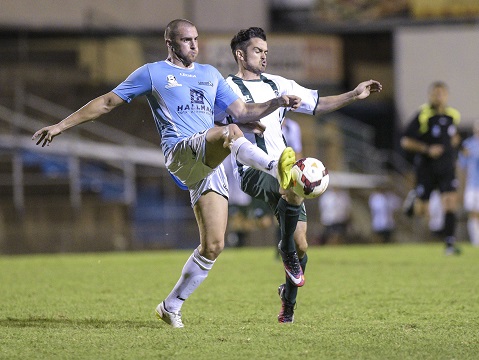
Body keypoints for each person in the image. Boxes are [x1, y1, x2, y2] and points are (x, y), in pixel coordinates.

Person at [31, 19, 303, 328]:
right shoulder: (152, 73)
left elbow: (242, 112)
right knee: (228, 132)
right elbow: (107, 102)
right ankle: (277, 167)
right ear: (170, 44)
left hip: (208, 158)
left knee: (214, 245)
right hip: (180, 151)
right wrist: (60, 126)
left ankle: (170, 305)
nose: (194, 45)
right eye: (186, 40)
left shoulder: (210, 75)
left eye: (196, 39)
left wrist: (277, 101)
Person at [215, 27, 382, 323]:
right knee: (290, 192)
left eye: (266, 51)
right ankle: (285, 249)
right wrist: (274, 105)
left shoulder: (278, 83)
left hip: (285, 167)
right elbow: (235, 117)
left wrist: (354, 95)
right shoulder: (226, 88)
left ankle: (288, 302)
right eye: (257, 51)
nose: (264, 56)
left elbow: (317, 104)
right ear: (240, 55)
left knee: (302, 244)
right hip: (253, 170)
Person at [400, 81, 462, 255]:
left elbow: (452, 136)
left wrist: (457, 145)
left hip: (447, 167)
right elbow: (405, 141)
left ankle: (449, 244)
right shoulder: (423, 114)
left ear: (447, 95)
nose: (439, 96)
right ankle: (415, 199)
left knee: (450, 202)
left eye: (441, 93)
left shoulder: (453, 115)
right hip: (427, 168)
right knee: (421, 211)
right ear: (430, 95)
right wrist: (427, 149)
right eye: (435, 93)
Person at [458, 119, 479, 246]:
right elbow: (462, 167)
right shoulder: (468, 144)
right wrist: (460, 188)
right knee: (473, 212)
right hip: (472, 184)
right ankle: (476, 241)